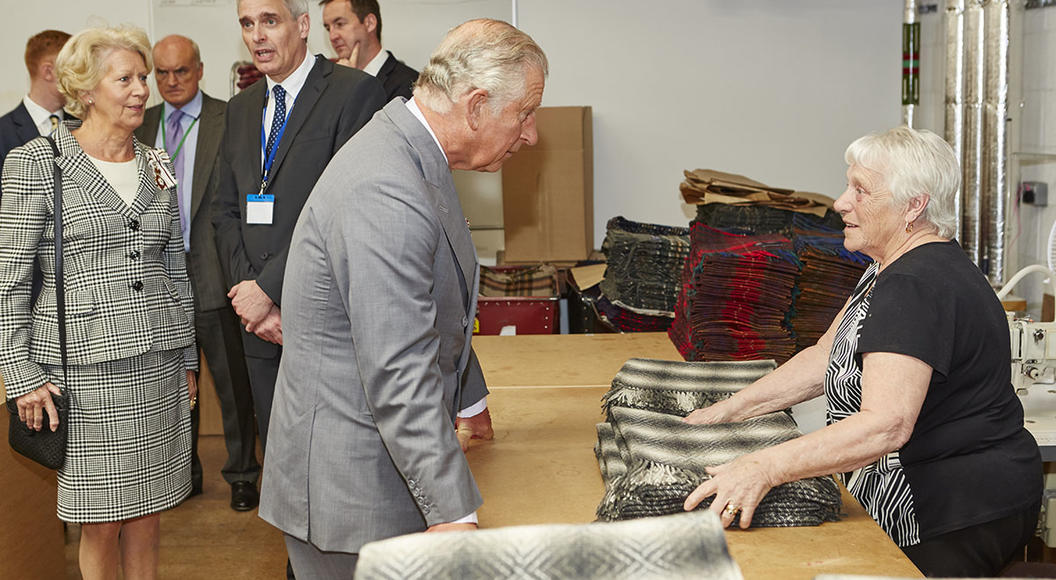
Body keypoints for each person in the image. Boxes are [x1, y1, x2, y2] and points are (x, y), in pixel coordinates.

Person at [682, 126, 1042, 577]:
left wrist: (763, 467)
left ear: (914, 204)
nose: (839, 202)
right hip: (964, 498)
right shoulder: (892, 266)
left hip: (956, 512)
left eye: (860, 190)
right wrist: (727, 412)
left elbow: (885, 425)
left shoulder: (913, 284)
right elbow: (825, 355)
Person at [258, 18, 547, 578]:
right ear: (475, 104)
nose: (531, 134)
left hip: (377, 467)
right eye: (525, 113)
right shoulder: (385, 187)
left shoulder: (414, 153)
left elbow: (434, 302)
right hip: (351, 494)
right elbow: (397, 365)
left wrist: (468, 400)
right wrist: (453, 509)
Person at [0, 26, 197, 579]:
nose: (142, 90)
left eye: (143, 78)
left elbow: (173, 267)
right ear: (86, 90)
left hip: (157, 367)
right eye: (126, 79)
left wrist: (186, 359)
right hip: (85, 379)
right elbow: (10, 280)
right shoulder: (37, 163)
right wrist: (20, 373)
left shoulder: (158, 163)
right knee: (100, 519)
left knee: (150, 516)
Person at [213, 0, 386, 452]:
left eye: (270, 21)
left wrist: (269, 289)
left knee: (335, 463)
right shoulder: (240, 109)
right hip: (259, 327)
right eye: (247, 25)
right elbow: (224, 211)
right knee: (282, 465)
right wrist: (249, 295)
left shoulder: (355, 93)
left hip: (326, 319)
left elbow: (348, 209)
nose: (257, 36)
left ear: (303, 25)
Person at [135, 34, 261, 512]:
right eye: (160, 74)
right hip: (156, 279)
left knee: (232, 382)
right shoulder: (140, 124)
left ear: (200, 69)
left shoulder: (228, 117)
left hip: (213, 269)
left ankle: (243, 473)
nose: (169, 82)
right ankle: (182, 472)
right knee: (170, 385)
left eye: (180, 72)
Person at [0, 29, 72, 186]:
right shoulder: (3, 133)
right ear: (48, 71)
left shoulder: (83, 125)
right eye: (72, 68)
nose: (79, 77)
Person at [320, 0, 418, 101]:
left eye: (340, 24)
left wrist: (350, 85)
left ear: (370, 23)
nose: (332, 36)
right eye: (328, 29)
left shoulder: (411, 84)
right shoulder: (330, 81)